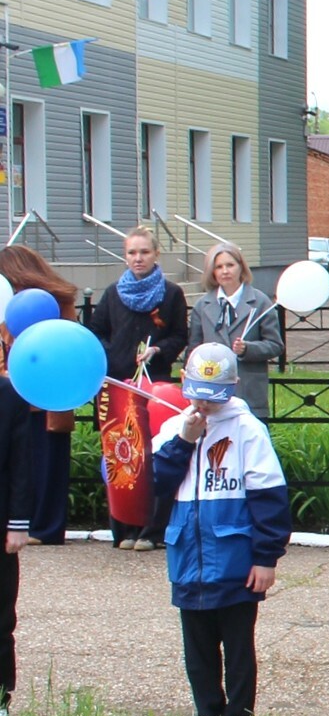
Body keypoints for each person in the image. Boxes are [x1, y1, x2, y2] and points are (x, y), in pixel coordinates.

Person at [149, 344, 294, 716]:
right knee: (197, 647)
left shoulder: (248, 430)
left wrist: (266, 557)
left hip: (235, 560)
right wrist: (184, 440)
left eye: (214, 397)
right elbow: (158, 483)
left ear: (233, 386)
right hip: (187, 557)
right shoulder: (172, 426)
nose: (205, 404)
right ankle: (207, 714)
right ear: (184, 382)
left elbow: (270, 499)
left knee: (238, 646)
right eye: (196, 393)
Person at [86, 227, 190, 549]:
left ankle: (151, 530)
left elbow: (179, 335)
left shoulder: (171, 293)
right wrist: (113, 353)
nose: (138, 258)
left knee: (153, 455)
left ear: (156, 254)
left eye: (144, 252)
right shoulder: (114, 292)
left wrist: (158, 350)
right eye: (132, 253)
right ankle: (124, 530)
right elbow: (97, 331)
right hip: (119, 385)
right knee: (121, 457)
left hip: (155, 386)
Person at [0, 247, 85, 544]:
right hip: (21, 395)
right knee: (27, 463)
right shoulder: (10, 302)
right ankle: (31, 522)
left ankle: (47, 526)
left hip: (50, 395)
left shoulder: (57, 300)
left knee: (49, 461)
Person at [0, 321, 45, 716]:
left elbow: (20, 465)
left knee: (0, 614)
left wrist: (17, 524)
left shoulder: (9, 396)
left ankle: (0, 697)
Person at [187, 243, 284, 421]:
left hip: (247, 389)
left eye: (230, 265)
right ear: (212, 272)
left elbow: (275, 345)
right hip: (211, 392)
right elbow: (194, 349)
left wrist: (248, 349)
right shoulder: (203, 305)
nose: (225, 271)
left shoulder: (260, 302)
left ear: (241, 268)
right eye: (219, 267)